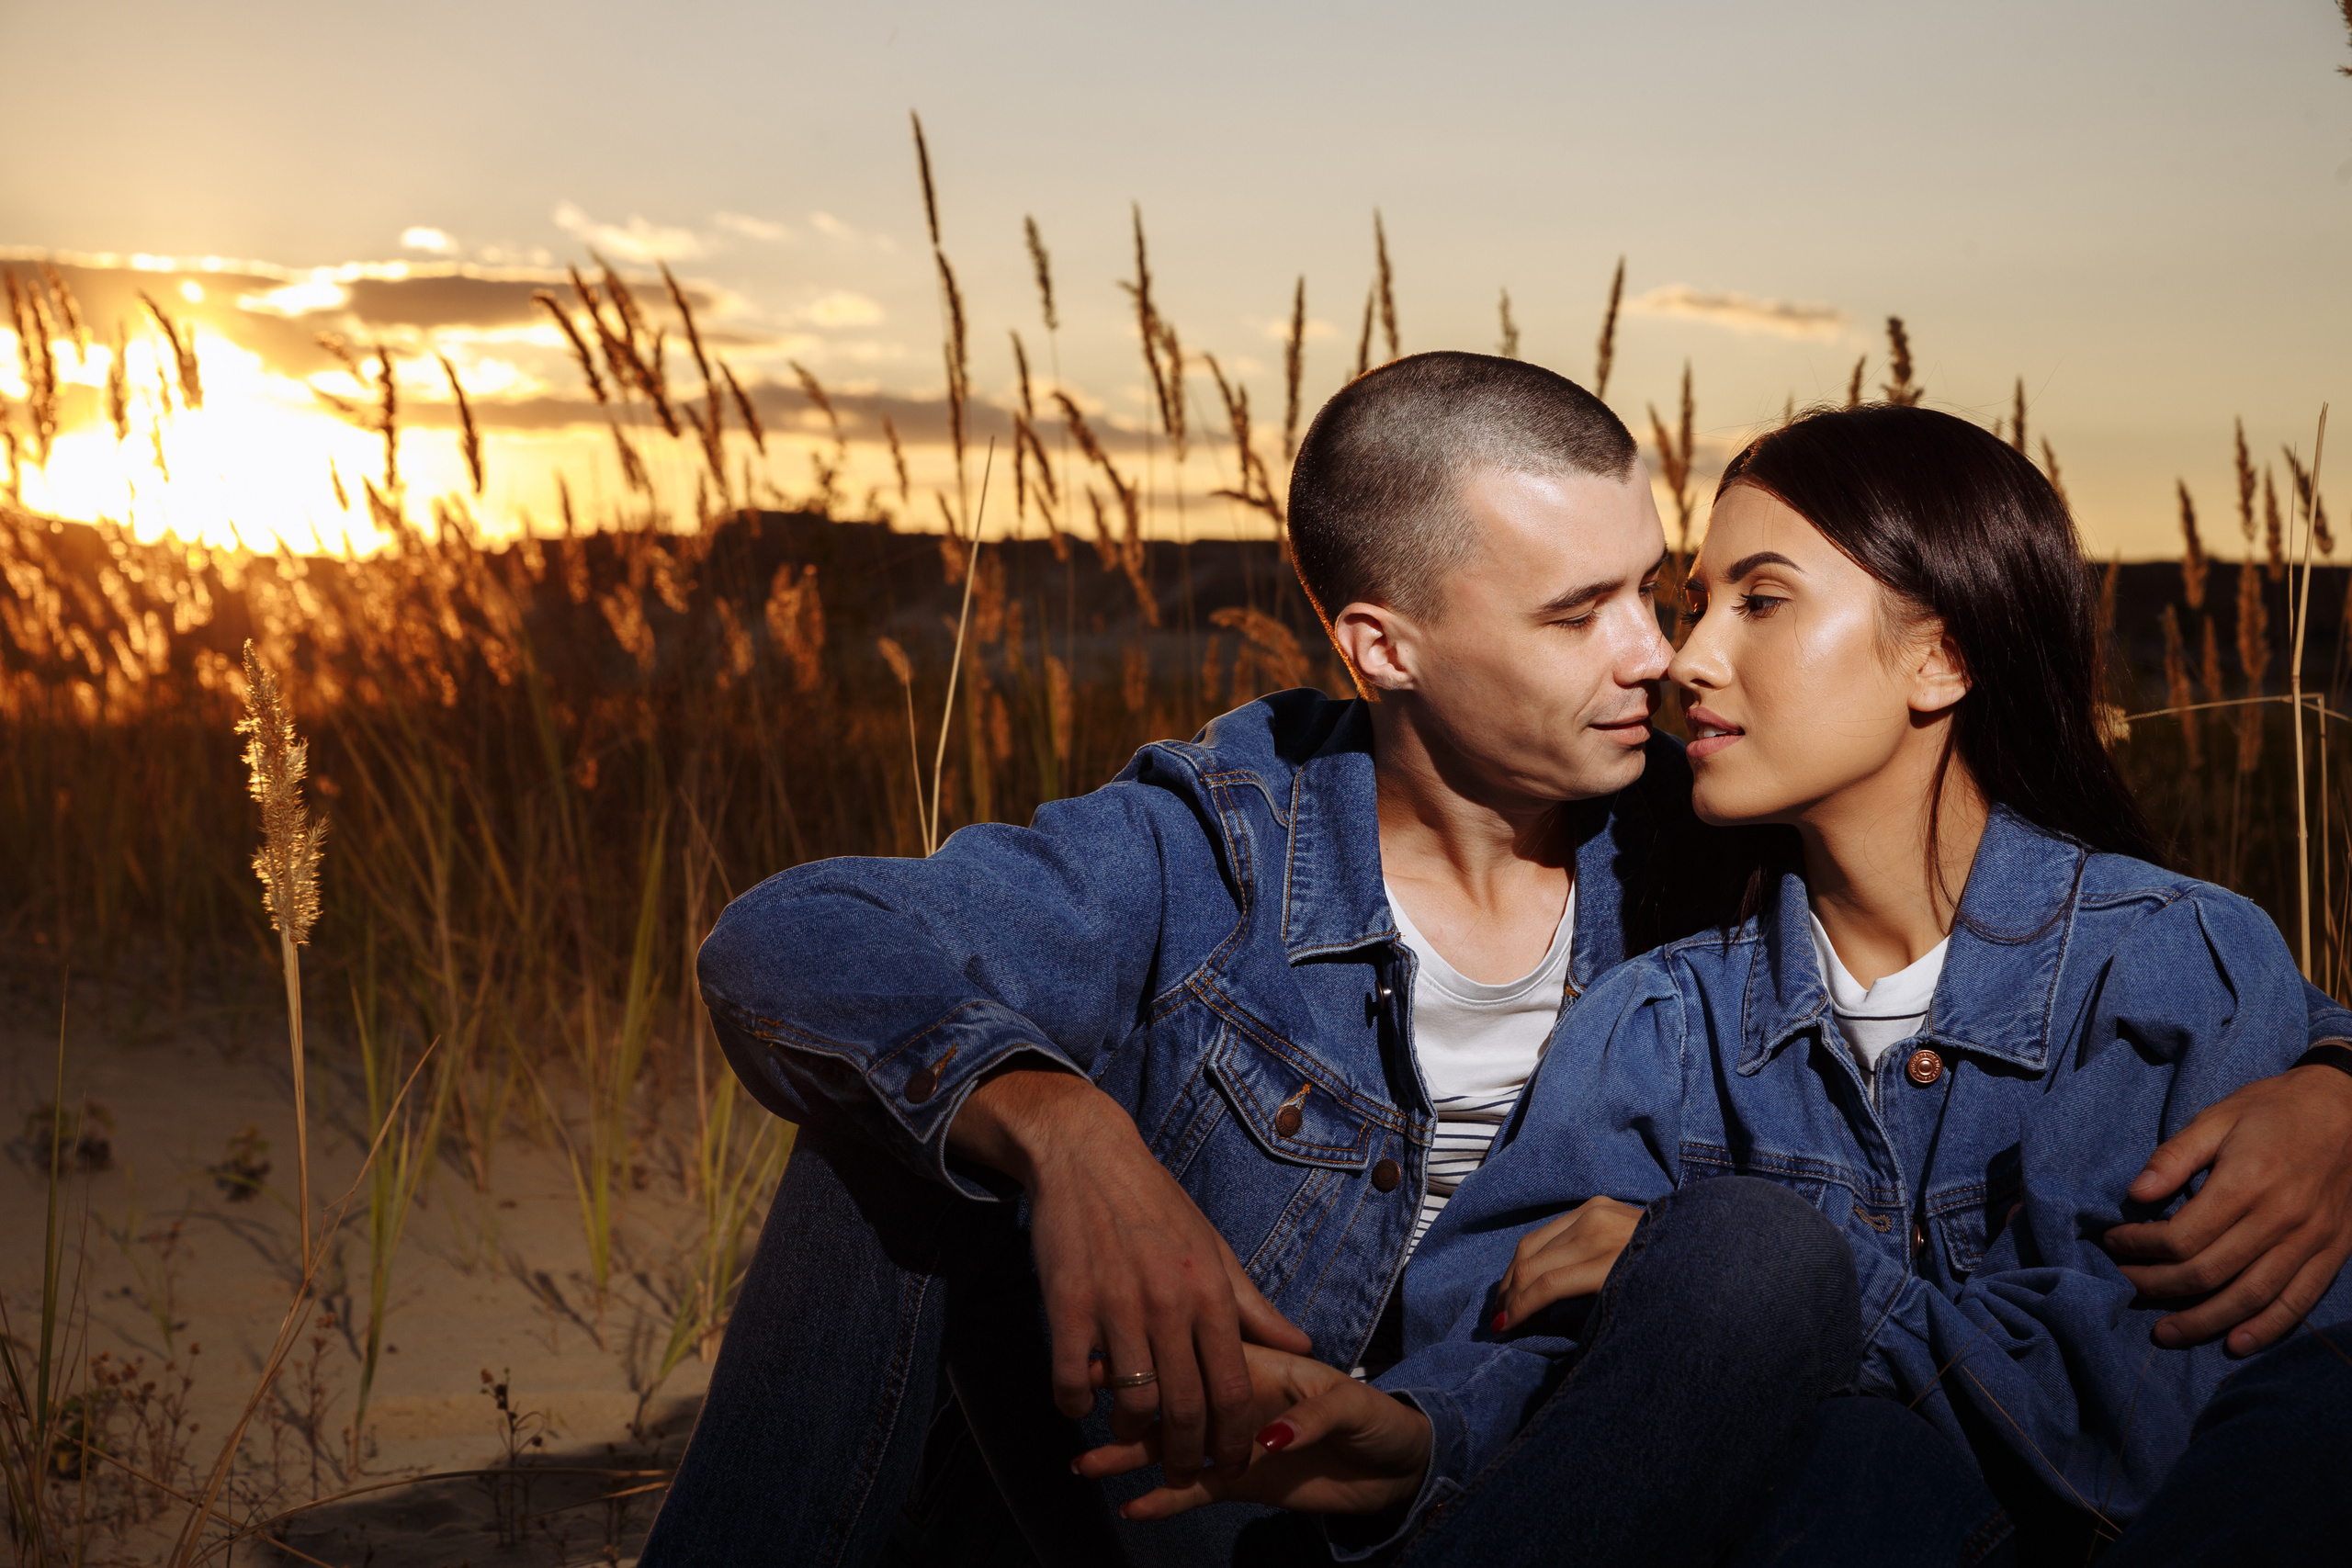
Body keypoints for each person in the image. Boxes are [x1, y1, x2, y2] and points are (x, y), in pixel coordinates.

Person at [640, 362, 2352, 1567]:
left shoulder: (1695, 847)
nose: (1661, 659)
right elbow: (802, 937)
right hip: (1243, 1477)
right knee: (891, 1132)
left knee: (1771, 1284)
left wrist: (2341, 1086)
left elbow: (2105, 981)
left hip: (1557, 1479)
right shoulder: (1217, 850)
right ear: (1384, 644)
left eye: (1665, 592)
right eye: (1577, 617)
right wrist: (1062, 1130)